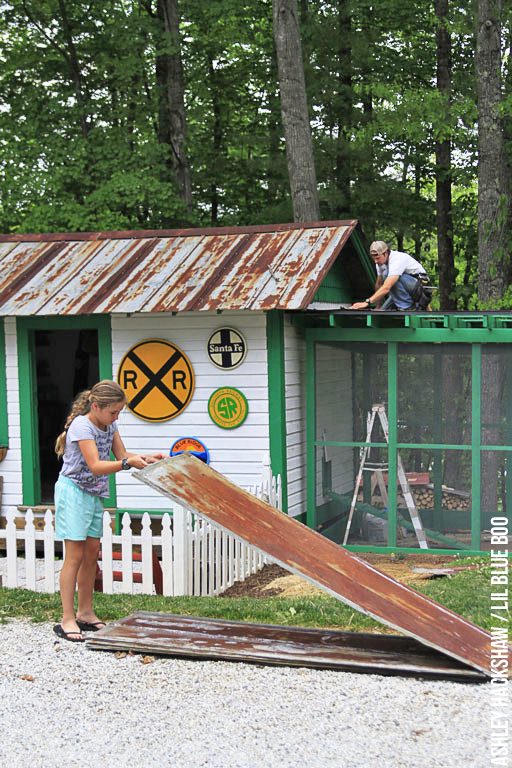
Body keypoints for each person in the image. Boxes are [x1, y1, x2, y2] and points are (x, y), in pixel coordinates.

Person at [53, 380, 163, 642]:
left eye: (118, 412)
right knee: (75, 556)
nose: (116, 417)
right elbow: (95, 465)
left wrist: (146, 458)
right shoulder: (82, 426)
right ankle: (67, 618)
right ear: (96, 406)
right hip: (73, 492)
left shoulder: (109, 424)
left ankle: (86, 612)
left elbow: (122, 454)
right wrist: (127, 464)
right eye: (113, 412)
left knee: (92, 553)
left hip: (93, 494)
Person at [350, 241, 432, 311]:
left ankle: (407, 308)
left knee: (388, 276)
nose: (375, 261)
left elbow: (386, 287)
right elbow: (379, 284)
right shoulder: (380, 263)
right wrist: (378, 306)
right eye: (373, 258)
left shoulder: (397, 259)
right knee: (382, 311)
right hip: (404, 289)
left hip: (421, 288)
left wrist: (366, 302)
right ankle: (403, 305)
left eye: (378, 258)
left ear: (385, 253)